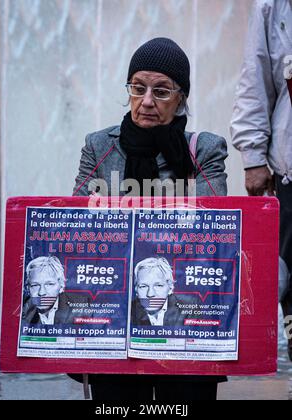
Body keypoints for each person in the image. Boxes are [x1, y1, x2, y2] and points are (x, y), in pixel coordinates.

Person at [73, 37, 228, 401]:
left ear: (181, 97)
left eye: (161, 91)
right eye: (137, 88)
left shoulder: (205, 149)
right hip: (112, 320)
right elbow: (77, 218)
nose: (146, 101)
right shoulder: (99, 146)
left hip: (188, 317)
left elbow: (213, 222)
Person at [230, 0, 292, 360]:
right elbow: (256, 74)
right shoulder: (273, 4)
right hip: (290, 170)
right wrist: (253, 157)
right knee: (290, 278)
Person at [23, 256, 91, 325]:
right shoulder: (22, 309)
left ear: (61, 286)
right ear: (28, 288)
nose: (41, 292)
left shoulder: (80, 305)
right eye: (35, 285)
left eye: (49, 284)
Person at [131, 257, 185, 326]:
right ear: (136, 290)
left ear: (170, 288)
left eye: (158, 285)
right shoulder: (127, 312)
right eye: (143, 286)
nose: (150, 294)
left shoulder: (188, 308)